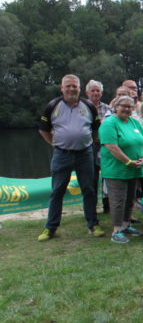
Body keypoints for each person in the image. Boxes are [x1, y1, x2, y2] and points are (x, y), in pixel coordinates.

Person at [37, 74, 104, 241]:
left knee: (89, 190)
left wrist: (88, 141)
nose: (71, 89)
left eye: (74, 86)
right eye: (68, 86)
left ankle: (93, 224)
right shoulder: (53, 106)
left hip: (85, 153)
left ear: (79, 88)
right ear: (62, 88)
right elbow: (43, 129)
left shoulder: (88, 105)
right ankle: (50, 228)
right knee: (57, 190)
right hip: (62, 154)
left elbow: (96, 129)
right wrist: (55, 144)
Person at [100, 96, 143, 243]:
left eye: (130, 107)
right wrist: (128, 162)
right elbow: (111, 147)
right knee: (118, 200)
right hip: (116, 170)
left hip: (135, 168)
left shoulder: (135, 122)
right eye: (123, 106)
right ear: (116, 106)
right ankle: (116, 231)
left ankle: (126, 225)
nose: (127, 109)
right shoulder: (109, 124)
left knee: (130, 199)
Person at [85, 79, 112, 212]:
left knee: (108, 175)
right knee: (91, 178)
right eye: (93, 90)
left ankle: (107, 205)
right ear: (87, 93)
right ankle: (92, 208)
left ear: (101, 93)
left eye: (98, 91)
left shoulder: (108, 108)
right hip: (89, 146)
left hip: (105, 146)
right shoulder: (82, 107)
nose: (95, 93)